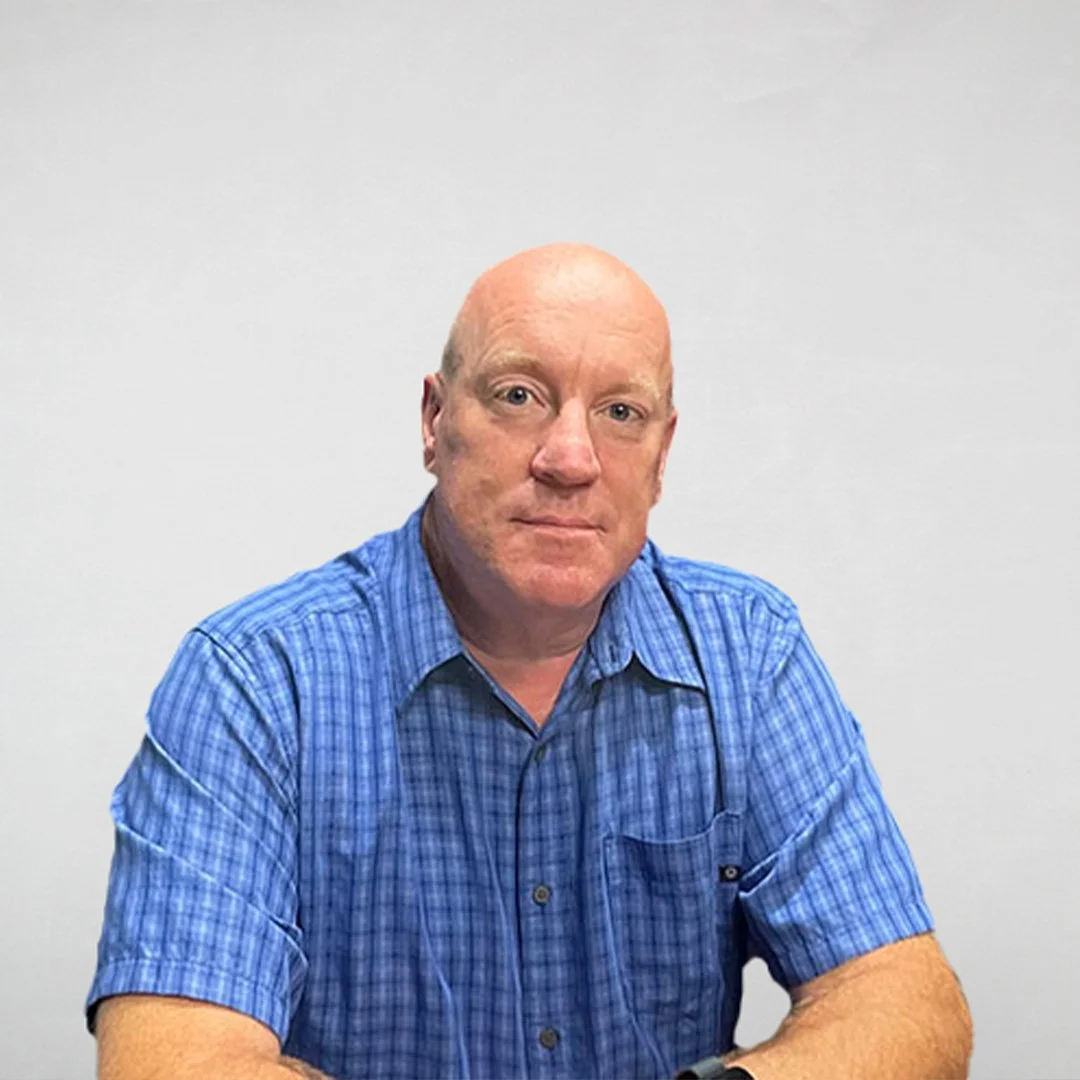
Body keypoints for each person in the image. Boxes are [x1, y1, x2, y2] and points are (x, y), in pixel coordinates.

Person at [87, 243, 973, 1080]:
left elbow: (903, 1002)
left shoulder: (748, 654)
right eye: (519, 396)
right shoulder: (254, 679)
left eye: (621, 413)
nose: (571, 458)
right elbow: (178, 1058)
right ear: (435, 422)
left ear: (661, 457)